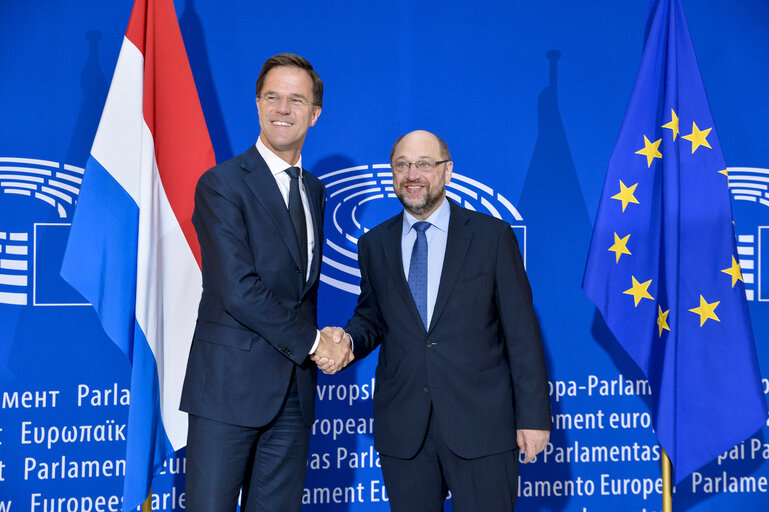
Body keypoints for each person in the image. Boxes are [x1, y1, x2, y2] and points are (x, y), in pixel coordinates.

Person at [318, 130, 551, 511]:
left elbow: (522, 332)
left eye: (424, 164)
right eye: (402, 165)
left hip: (482, 426)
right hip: (405, 429)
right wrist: (347, 341)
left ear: (447, 171)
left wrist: (533, 418)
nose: (412, 174)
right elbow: (373, 318)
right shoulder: (374, 245)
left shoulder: (491, 237)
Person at [180, 53, 352, 512]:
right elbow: (239, 289)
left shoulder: (314, 190)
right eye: (272, 97)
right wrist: (317, 344)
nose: (282, 108)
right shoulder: (221, 185)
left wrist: (329, 339)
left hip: (293, 396)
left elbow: (298, 291)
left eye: (296, 99)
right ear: (257, 105)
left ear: (314, 114)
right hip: (227, 392)